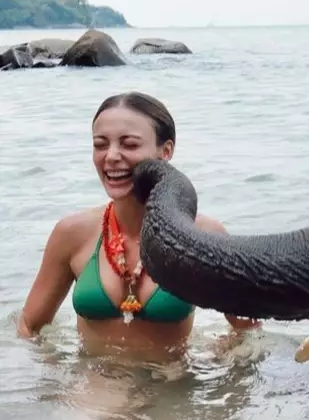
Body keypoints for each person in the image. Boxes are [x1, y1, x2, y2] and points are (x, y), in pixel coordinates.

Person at [16, 91, 259, 359]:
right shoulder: (73, 234)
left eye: (129, 145)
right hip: (90, 392)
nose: (111, 156)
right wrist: (49, 386)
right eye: (100, 144)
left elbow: (248, 332)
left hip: (173, 391)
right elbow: (29, 327)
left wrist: (221, 362)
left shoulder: (203, 236)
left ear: (165, 151)